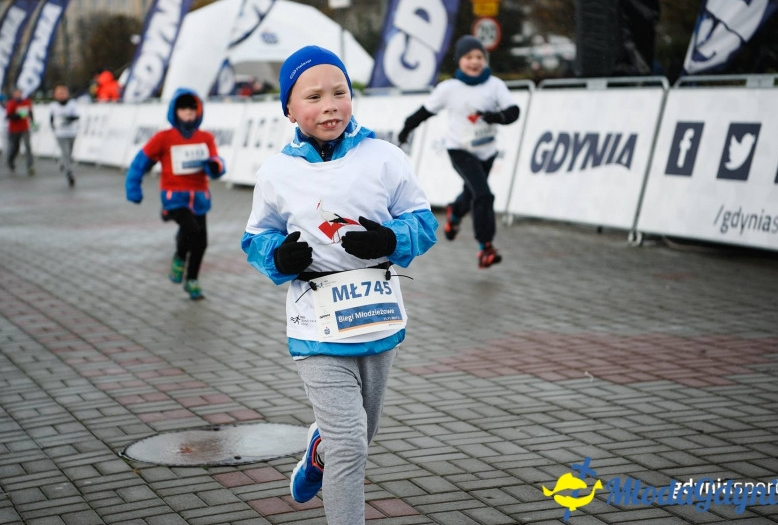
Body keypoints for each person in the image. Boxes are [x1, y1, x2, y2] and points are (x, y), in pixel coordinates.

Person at [241, 46, 437, 524]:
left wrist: (391, 238)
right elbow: (255, 238)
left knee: (360, 434)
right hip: (315, 322)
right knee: (351, 446)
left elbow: (424, 222)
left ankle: (318, 451)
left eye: (340, 93)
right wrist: (278, 257)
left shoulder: (385, 158)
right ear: (288, 107)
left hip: (376, 317)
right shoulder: (276, 173)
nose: (329, 105)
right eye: (313, 96)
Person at [397, 35, 520, 269]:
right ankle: (486, 247)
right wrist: (406, 128)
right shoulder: (449, 89)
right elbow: (424, 112)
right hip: (460, 151)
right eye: (468, 57)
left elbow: (513, 112)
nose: (474, 62)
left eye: (478, 57)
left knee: (472, 193)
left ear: (484, 59)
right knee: (483, 195)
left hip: (487, 150)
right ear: (459, 61)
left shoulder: (494, 85)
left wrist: (496, 117)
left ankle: (455, 212)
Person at [125, 88, 225, 300]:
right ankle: (179, 256)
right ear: (175, 111)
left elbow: (216, 161)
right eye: (183, 109)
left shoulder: (205, 137)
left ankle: (192, 280)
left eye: (192, 109)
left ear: (198, 111)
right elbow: (140, 162)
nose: (188, 114)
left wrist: (215, 167)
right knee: (191, 229)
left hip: (199, 197)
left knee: (201, 241)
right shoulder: (163, 137)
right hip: (174, 197)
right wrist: (133, 187)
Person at [48, 84, 79, 187]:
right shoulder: (53, 106)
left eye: (63, 92)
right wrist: (54, 128)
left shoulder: (72, 104)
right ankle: (69, 174)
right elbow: (51, 119)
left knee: (69, 153)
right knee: (65, 152)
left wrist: (67, 119)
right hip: (60, 134)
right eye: (59, 93)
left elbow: (77, 116)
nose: (62, 95)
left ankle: (63, 162)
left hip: (71, 132)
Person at [5, 88, 35, 175]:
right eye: (16, 93)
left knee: (28, 146)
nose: (18, 95)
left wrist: (32, 122)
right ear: (14, 94)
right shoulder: (11, 103)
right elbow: (9, 116)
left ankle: (30, 165)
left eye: (19, 93)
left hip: (24, 128)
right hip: (14, 129)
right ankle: (10, 160)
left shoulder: (26, 102)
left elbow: (29, 112)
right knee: (15, 147)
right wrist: (19, 115)